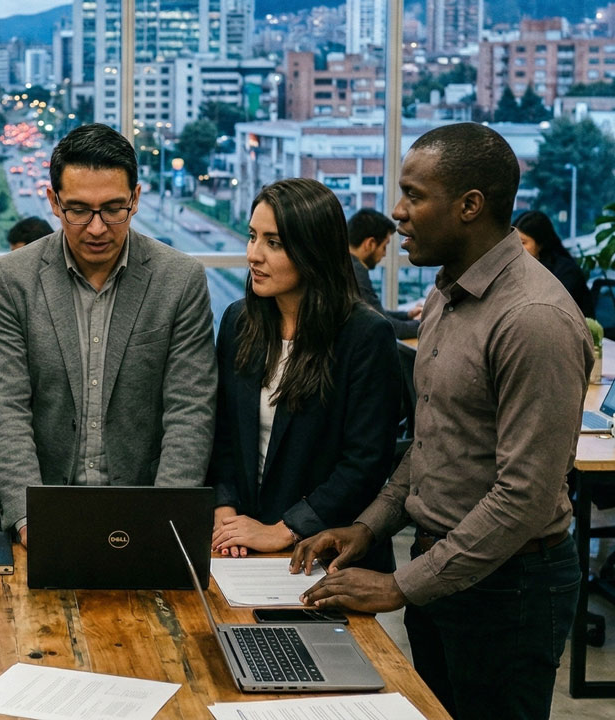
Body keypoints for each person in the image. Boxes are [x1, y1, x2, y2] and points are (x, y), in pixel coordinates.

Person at [293, 123, 590, 720]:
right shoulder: (449, 297)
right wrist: (371, 527)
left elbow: (524, 497)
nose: (396, 213)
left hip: (509, 589)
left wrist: (400, 586)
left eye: (414, 195)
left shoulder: (532, 318)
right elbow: (432, 442)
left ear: (469, 206)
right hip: (443, 576)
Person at [0, 123, 217, 545]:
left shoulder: (180, 279)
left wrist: (163, 519)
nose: (96, 228)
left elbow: (189, 410)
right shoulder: (11, 278)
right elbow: (4, 406)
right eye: (78, 210)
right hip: (35, 517)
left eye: (112, 209)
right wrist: (30, 518)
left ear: (136, 199)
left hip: (143, 515)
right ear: (53, 202)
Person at [209, 179, 400, 573]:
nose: (253, 255)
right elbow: (222, 432)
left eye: (274, 243)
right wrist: (225, 511)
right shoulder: (238, 321)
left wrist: (285, 529)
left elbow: (365, 463)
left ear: (313, 250)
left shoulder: (364, 335)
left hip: (324, 553)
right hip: (240, 544)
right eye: (252, 236)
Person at [347, 208, 421, 339]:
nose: (385, 253)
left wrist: (407, 315)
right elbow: (388, 326)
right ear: (369, 244)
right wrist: (424, 324)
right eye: (384, 246)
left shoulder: (347, 265)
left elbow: (374, 312)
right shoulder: (356, 273)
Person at [514, 209, 594, 318]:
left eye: (523, 242)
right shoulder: (517, 267)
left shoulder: (566, 272)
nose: (517, 247)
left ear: (540, 244)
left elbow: (552, 312)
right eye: (515, 241)